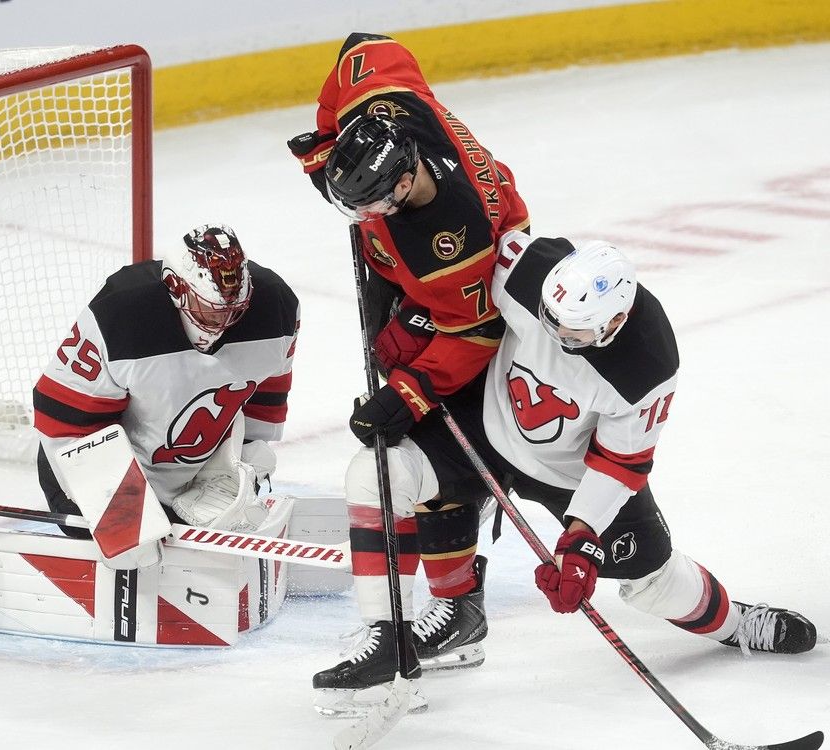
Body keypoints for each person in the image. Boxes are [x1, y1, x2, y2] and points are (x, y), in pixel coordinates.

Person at [315, 228, 818, 710]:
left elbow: (620, 461)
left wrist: (580, 541)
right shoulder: (530, 267)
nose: (553, 335)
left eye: (572, 331)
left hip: (569, 472)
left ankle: (734, 623)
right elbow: (455, 276)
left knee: (653, 582)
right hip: (484, 420)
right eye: (548, 320)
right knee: (377, 475)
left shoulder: (647, 363)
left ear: (613, 324)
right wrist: (412, 320)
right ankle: (392, 636)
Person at [288, 31, 530, 702]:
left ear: (404, 180)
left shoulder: (458, 241)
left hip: (493, 330)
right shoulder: (387, 98)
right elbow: (361, 47)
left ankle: (457, 606)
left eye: (374, 204)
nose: (364, 217)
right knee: (389, 468)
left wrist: (410, 390)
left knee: (441, 458)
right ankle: (401, 629)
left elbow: (476, 332)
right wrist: (329, 137)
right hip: (432, 297)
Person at [33, 224, 300, 534]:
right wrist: (123, 506)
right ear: (176, 288)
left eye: (233, 312)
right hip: (92, 459)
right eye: (210, 311)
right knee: (130, 555)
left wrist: (240, 468)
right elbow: (64, 419)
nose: (222, 323)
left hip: (191, 476)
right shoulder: (121, 314)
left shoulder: (275, 307)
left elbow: (265, 398)